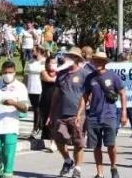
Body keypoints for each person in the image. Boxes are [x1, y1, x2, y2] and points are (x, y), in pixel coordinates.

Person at [81, 52, 126, 178]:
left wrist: (124, 113)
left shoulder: (113, 76)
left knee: (111, 144)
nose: (97, 63)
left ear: (105, 62)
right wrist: (80, 113)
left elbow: (122, 93)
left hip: (109, 115)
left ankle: (113, 167)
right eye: (96, 61)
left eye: (100, 61)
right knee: (96, 146)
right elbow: (84, 97)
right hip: (94, 116)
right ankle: (99, 173)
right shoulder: (90, 77)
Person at [49, 47, 91, 178]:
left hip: (78, 114)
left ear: (78, 59)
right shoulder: (61, 74)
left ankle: (77, 168)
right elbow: (55, 96)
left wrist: (87, 110)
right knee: (59, 140)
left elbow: (89, 95)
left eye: (72, 57)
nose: (69, 59)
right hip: (62, 114)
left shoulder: (84, 74)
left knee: (79, 142)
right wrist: (51, 114)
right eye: (68, 56)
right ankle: (68, 161)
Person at [0, 61, 29, 178]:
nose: (7, 74)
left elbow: (25, 109)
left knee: (8, 156)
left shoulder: (20, 87)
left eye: (10, 72)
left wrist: (14, 103)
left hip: (10, 127)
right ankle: (0, 171)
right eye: (5, 72)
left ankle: (7, 174)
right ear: (1, 72)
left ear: (14, 72)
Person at [24, 46, 45, 139]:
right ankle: (40, 126)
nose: (32, 52)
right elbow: (26, 76)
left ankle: (36, 128)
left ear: (39, 51)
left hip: (40, 89)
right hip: (30, 89)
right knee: (36, 108)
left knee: (38, 109)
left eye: (34, 51)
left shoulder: (44, 62)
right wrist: (24, 88)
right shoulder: (29, 62)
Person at [40, 56, 59, 152]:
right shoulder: (44, 73)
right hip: (46, 98)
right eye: (51, 63)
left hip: (56, 99)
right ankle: (45, 139)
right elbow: (49, 79)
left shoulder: (58, 73)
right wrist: (59, 78)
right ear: (47, 64)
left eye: (55, 63)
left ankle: (53, 141)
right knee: (45, 120)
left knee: (53, 120)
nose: (53, 65)